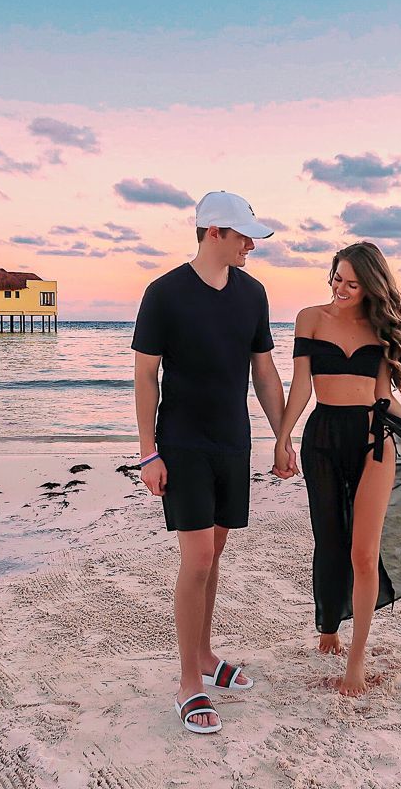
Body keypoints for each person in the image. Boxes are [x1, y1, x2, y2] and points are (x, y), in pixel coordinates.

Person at [133, 191, 296, 734]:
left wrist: (282, 436)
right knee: (198, 555)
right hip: (181, 442)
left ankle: (204, 653)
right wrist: (148, 452)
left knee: (216, 549)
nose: (252, 244)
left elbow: (265, 372)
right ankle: (189, 683)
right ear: (213, 234)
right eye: (244, 235)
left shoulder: (253, 293)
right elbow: (145, 377)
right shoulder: (164, 294)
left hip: (232, 440)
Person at [274, 242, 401, 697]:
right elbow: (301, 384)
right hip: (321, 439)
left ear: (370, 286)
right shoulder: (310, 318)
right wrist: (281, 438)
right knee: (330, 541)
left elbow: (385, 397)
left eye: (352, 283)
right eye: (337, 278)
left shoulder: (380, 329)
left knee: (364, 553)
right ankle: (328, 626)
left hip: (373, 441)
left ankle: (355, 662)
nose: (340, 288)